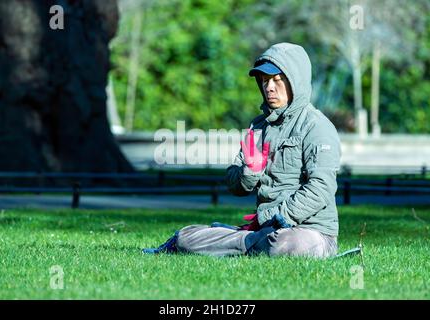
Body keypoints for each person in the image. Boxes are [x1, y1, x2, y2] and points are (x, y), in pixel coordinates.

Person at [143, 42, 341, 258]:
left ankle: (234, 240)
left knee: (283, 245)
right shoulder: (258, 127)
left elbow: (321, 187)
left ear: (295, 81)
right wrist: (250, 171)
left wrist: (276, 217)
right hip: (265, 230)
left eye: (277, 80)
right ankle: (236, 240)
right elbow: (234, 184)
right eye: (264, 81)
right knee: (186, 237)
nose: (269, 87)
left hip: (311, 232)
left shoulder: (316, 126)